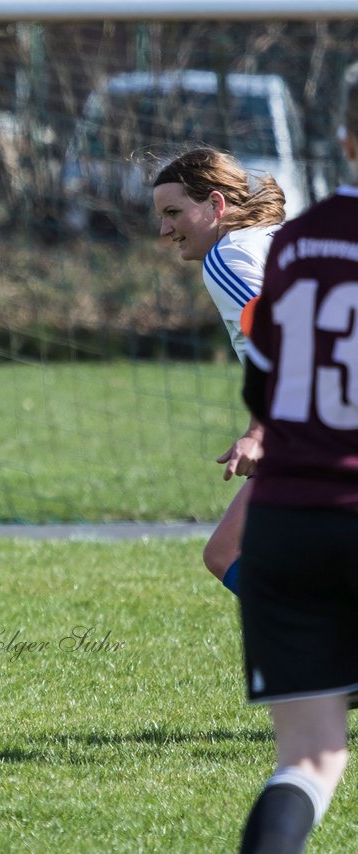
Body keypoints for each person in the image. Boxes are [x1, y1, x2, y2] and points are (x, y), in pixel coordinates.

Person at [235, 61, 358, 853]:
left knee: (308, 760)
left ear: (347, 140)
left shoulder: (296, 241)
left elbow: (263, 385)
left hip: (283, 524)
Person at [152, 147, 287, 596]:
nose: (164, 229)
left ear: (215, 204)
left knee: (227, 552)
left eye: (173, 212)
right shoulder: (271, 237)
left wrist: (257, 433)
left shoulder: (225, 258)